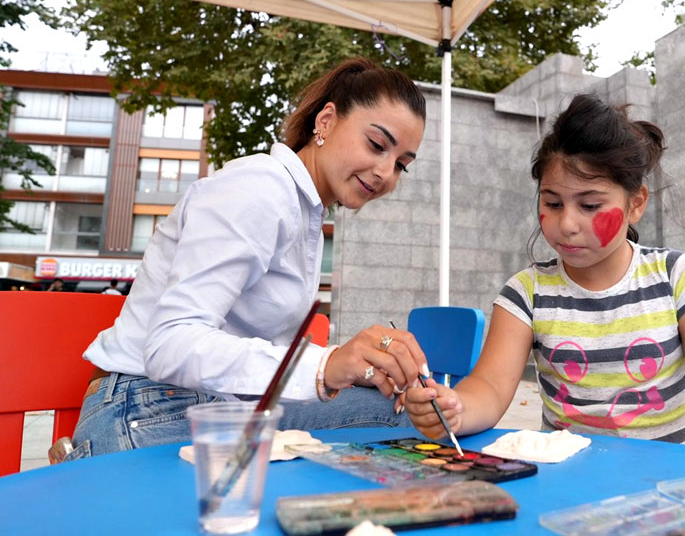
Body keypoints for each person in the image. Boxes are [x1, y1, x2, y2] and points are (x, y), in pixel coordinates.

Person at [70, 58, 430, 459]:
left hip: (219, 405)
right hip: (146, 405)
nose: (385, 172)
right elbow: (169, 344)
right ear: (326, 121)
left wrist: (357, 370)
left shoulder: (303, 211)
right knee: (397, 432)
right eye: (377, 145)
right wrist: (326, 365)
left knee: (411, 416)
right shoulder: (260, 187)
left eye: (401, 165)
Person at [404, 94, 685, 453]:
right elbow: (491, 387)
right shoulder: (527, 293)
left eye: (589, 205)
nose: (567, 224)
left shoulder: (677, 278)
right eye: (552, 203)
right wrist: (456, 408)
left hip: (671, 484)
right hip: (569, 481)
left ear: (635, 204)